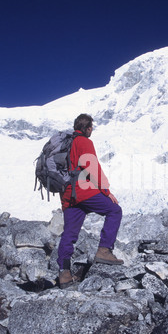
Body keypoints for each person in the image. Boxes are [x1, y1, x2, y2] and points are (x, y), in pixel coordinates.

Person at [57, 113, 123, 289]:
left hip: (67, 195)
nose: (92, 130)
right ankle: (104, 250)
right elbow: (92, 166)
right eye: (91, 127)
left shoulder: (66, 143)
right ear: (87, 128)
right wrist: (106, 191)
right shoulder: (84, 142)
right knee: (114, 210)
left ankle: (64, 273)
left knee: (69, 234)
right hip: (83, 191)